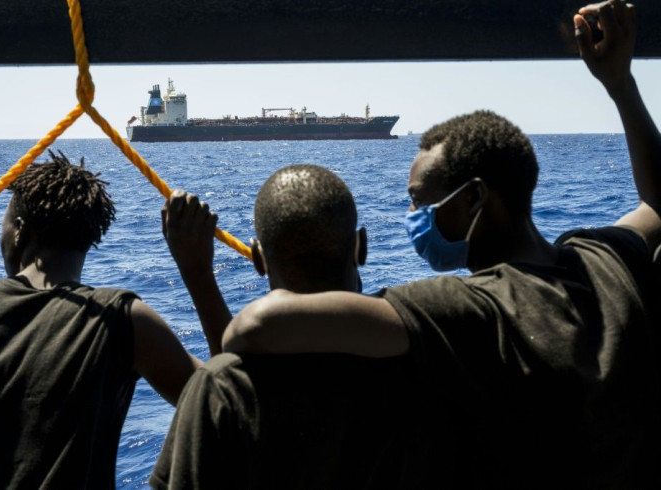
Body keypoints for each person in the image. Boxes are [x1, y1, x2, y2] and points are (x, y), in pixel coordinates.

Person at [222, 1, 661, 488]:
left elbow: (254, 327)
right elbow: (658, 203)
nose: (413, 218)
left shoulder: (462, 312)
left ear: (474, 198)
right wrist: (620, 84)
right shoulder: (604, 257)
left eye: (419, 202)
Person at [0, 151, 212, 488]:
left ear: (18, 231)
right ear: (90, 238)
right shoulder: (120, 319)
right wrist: (197, 271)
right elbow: (231, 405)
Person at [150, 165, 423, 489]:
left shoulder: (221, 389)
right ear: (360, 245)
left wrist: (197, 273)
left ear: (258, 259)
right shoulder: (421, 366)